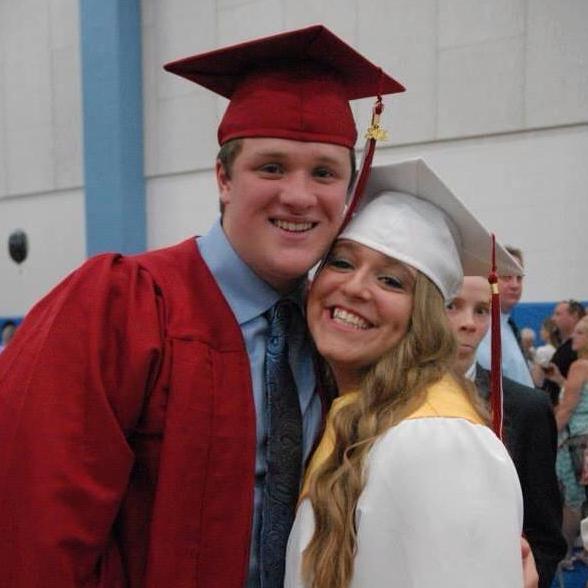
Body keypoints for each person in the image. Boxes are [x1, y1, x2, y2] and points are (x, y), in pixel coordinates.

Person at [0, 26, 405, 587]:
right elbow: (34, 526)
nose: (298, 196)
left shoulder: (340, 334)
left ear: (348, 191)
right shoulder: (121, 305)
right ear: (223, 178)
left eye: (324, 173)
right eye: (271, 167)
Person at [285, 159, 530, 587]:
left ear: (425, 317)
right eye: (341, 263)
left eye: (391, 281)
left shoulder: (436, 441)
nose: (355, 287)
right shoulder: (350, 412)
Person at [446, 275, 566, 588]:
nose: (468, 323)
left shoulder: (526, 408)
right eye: (451, 306)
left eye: (482, 310)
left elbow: (544, 534)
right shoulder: (383, 399)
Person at [545, 316, 588, 568]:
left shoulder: (580, 366)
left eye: (581, 333)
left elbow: (567, 409)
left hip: (575, 441)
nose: (573, 336)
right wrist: (561, 381)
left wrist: (546, 438)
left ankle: (563, 556)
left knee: (572, 503)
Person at [476, 246, 534, 387]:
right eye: (507, 277)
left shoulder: (508, 326)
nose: (515, 285)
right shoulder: (481, 328)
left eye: (519, 278)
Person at [545, 300, 587, 405]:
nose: (553, 318)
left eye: (558, 314)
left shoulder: (579, 359)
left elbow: (575, 397)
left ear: (574, 316)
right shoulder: (564, 347)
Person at [531, 317, 559, 389]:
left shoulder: (542, 351)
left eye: (542, 329)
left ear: (548, 332)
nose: (540, 332)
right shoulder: (560, 350)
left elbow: (536, 380)